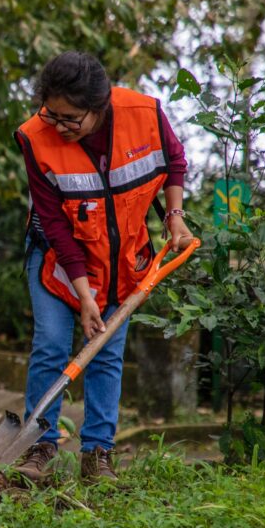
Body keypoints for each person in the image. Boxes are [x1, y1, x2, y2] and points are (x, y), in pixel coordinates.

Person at [13, 51, 196, 483]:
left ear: (100, 107)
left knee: (107, 354)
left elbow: (175, 161)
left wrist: (174, 217)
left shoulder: (144, 114)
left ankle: (97, 454)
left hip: (120, 260)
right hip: (57, 260)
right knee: (53, 344)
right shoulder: (36, 138)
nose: (58, 126)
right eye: (50, 114)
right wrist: (83, 294)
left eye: (70, 118)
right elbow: (55, 224)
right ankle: (38, 445)